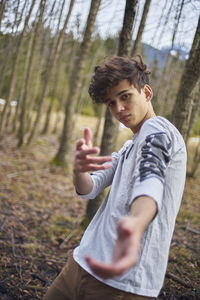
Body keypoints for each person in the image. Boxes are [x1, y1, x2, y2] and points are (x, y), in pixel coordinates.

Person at [44, 56, 187, 300]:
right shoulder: (130, 146)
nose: (118, 108)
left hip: (121, 283)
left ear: (147, 92)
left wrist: (136, 223)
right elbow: (90, 187)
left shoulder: (158, 131)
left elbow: (150, 178)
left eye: (125, 96)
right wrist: (78, 169)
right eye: (111, 103)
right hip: (81, 264)